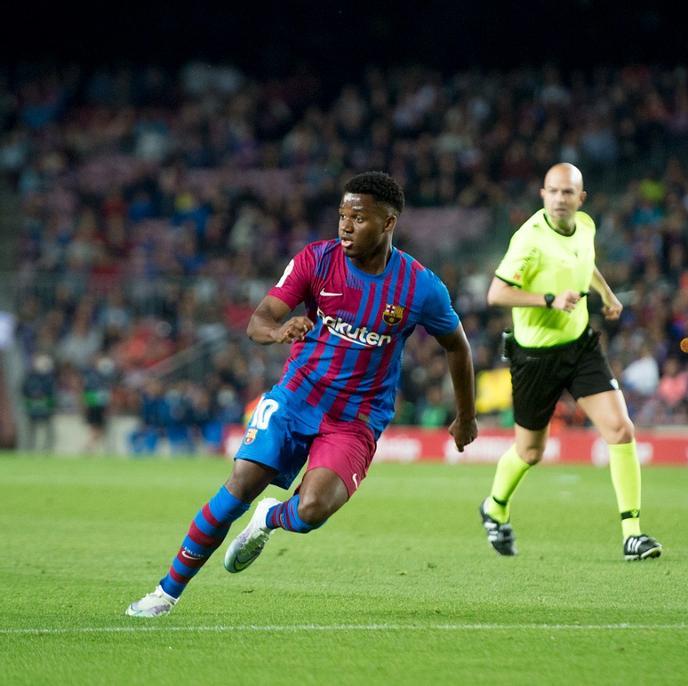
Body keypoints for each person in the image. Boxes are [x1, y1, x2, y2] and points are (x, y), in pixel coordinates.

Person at [127, 172, 478, 617]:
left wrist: (465, 416)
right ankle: (165, 593)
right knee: (239, 486)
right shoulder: (315, 260)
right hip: (297, 397)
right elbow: (259, 320)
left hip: (356, 419)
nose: (346, 226)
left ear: (388, 223)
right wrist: (278, 331)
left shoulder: (419, 286)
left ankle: (269, 519)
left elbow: (458, 347)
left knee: (311, 510)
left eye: (359, 218)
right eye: (342, 215)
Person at [479, 162, 662, 561]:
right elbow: (496, 294)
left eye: (568, 193)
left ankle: (632, 533)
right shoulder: (528, 239)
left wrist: (607, 294)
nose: (560, 199)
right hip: (534, 357)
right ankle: (494, 506)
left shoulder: (587, 226)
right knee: (530, 453)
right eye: (553, 191)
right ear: (542, 195)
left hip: (580, 346)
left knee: (620, 429)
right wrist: (549, 299)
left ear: (581, 198)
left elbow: (583, 262)